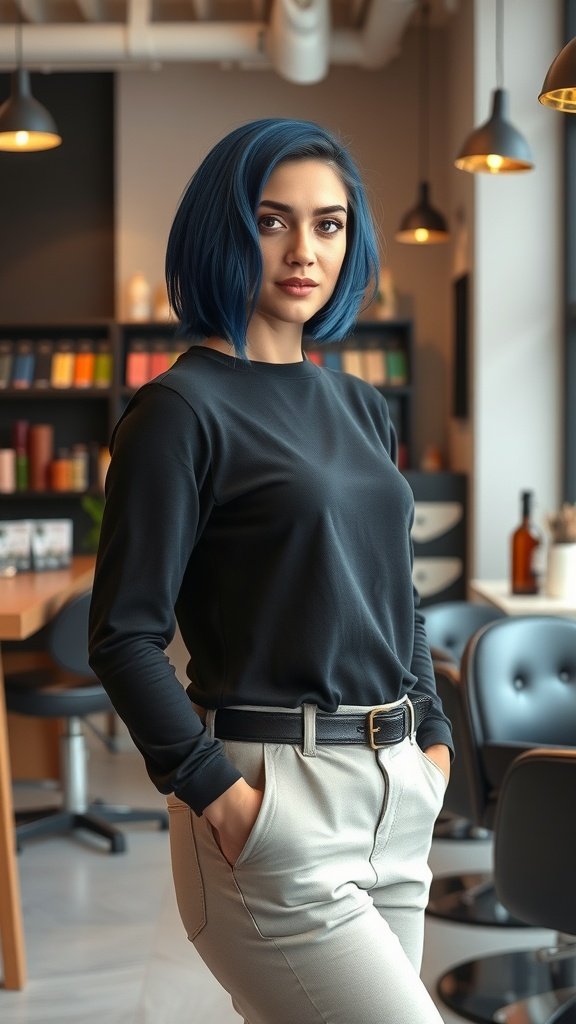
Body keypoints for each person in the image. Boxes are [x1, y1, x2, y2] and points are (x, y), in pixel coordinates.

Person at [88, 117, 453, 1024]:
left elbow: (393, 594)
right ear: (224, 230)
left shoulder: (361, 406)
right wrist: (221, 796)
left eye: (328, 224)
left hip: (397, 788)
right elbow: (124, 637)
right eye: (272, 219)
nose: (304, 249)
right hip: (274, 803)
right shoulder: (179, 410)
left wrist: (436, 743)